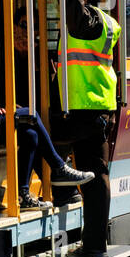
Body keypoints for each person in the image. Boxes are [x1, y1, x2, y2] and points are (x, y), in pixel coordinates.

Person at [48, 0, 119, 257]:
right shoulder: (106, 21)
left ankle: (91, 244)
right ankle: (93, 242)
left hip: (82, 110)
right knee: (96, 175)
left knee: (88, 176)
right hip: (98, 108)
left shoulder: (86, 22)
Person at [11, 15, 94, 210]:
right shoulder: (4, 55)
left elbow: (51, 87)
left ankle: (33, 191)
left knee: (32, 132)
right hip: (10, 115)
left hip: (31, 117)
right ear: (12, 27)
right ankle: (61, 179)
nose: (24, 32)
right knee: (31, 118)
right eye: (21, 25)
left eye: (30, 27)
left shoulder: (39, 55)